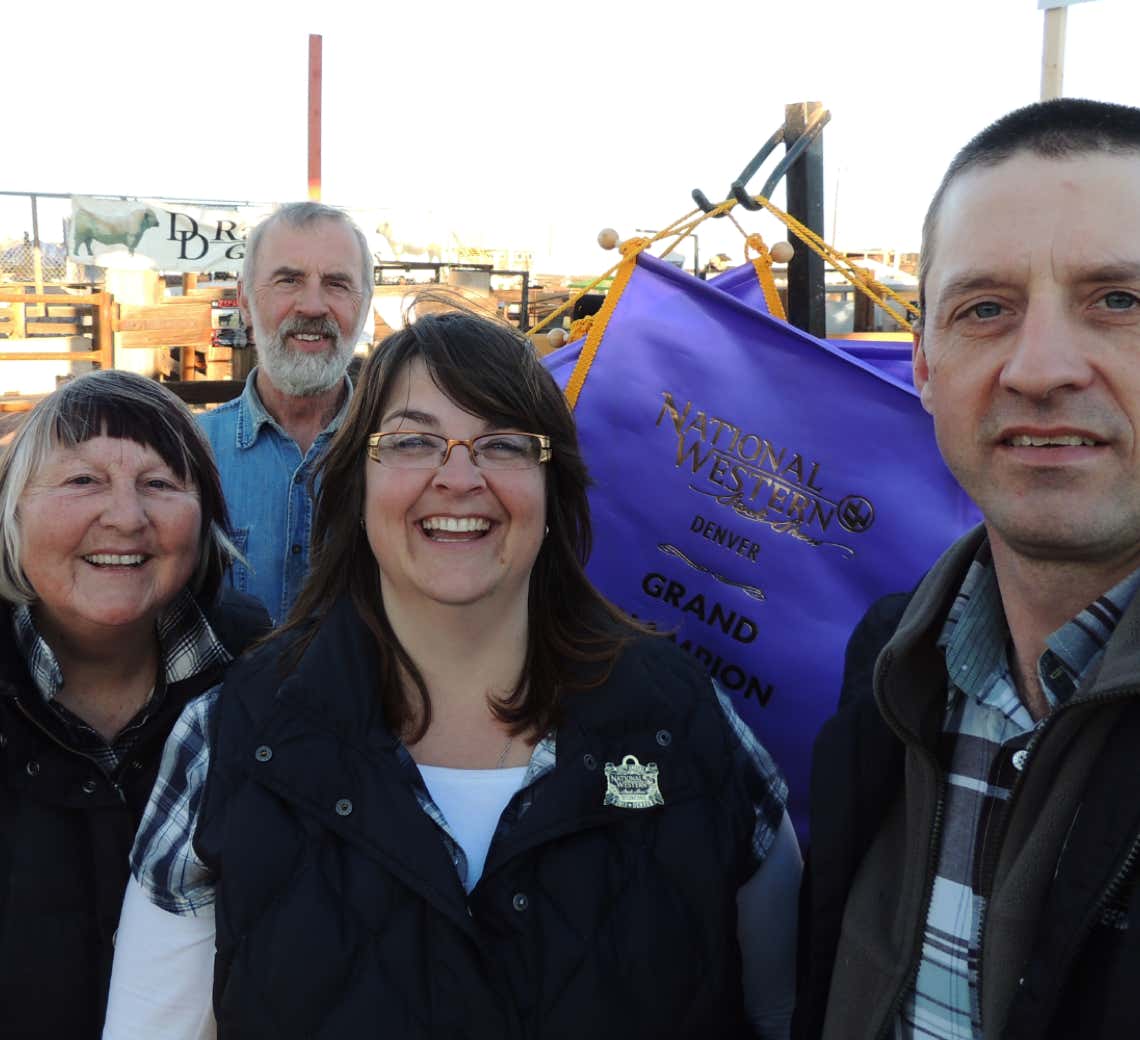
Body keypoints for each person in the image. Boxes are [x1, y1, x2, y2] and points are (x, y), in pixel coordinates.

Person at [104, 309, 802, 1039]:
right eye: (412, 442)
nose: (459, 477)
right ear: (358, 486)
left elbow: (783, 1011)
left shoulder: (685, 720)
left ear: (551, 488)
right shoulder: (230, 734)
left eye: (502, 443)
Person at [794, 98, 1140, 1040]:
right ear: (923, 366)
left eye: (1120, 301)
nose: (1041, 367)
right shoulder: (895, 667)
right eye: (985, 309)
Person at [0, 370, 270, 1039]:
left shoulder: (262, 686)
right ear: (13, 509)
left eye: (158, 484)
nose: (125, 516)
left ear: (204, 518)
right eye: (82, 481)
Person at [200, 201, 374, 623]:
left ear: (365, 304)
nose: (312, 306)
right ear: (244, 300)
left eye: (336, 283)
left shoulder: (403, 453)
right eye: (288, 280)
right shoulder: (186, 453)